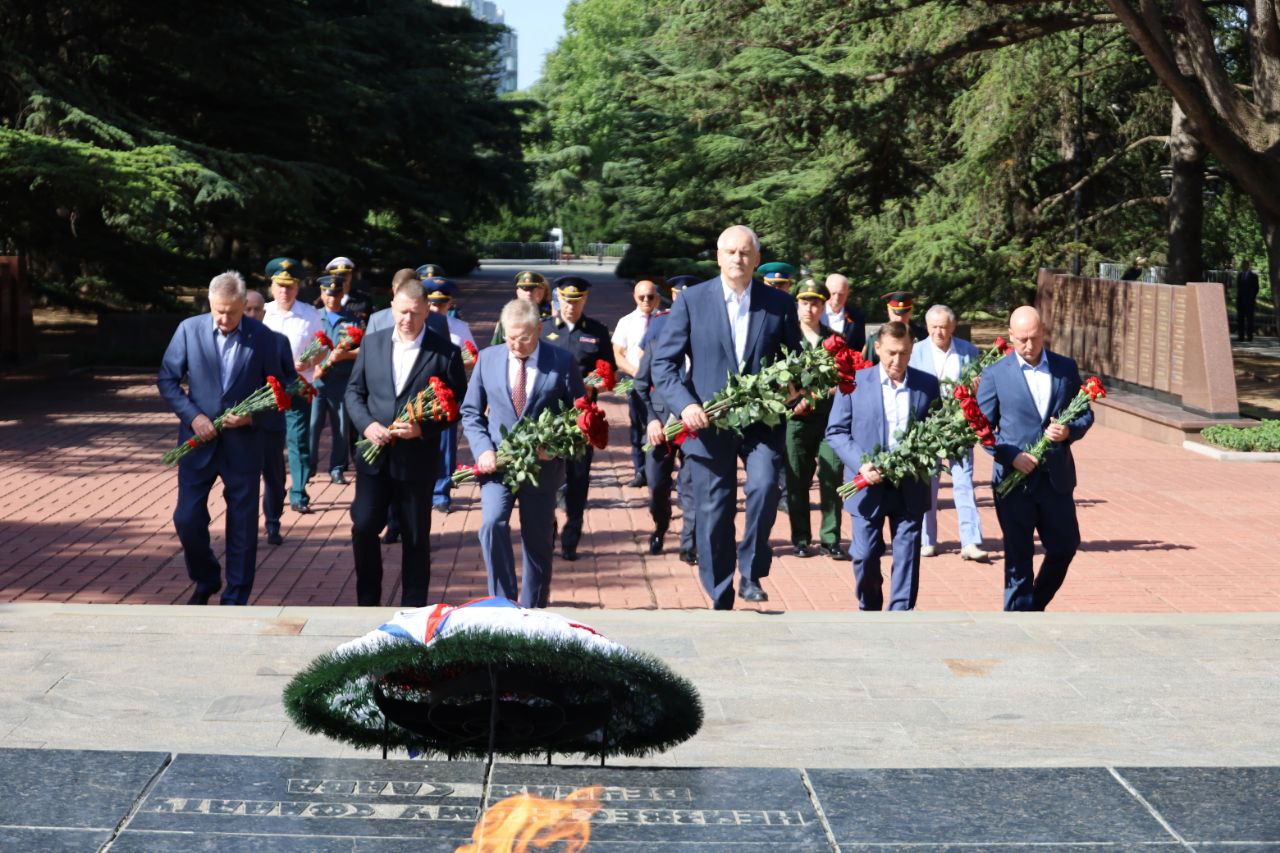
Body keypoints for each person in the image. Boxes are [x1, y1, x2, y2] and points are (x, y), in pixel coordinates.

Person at [651, 225, 802, 609]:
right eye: (731, 252)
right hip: (707, 423)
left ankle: (751, 571)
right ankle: (720, 593)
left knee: (766, 486)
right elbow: (664, 364)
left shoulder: (778, 304)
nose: (738, 258)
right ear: (718, 256)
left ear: (756, 258)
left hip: (761, 424)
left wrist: (795, 387)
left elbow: (795, 362)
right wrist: (685, 405)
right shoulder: (692, 301)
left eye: (746, 252)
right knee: (714, 510)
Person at [158, 272, 296, 605]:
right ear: (209, 303)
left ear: (243, 305)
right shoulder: (189, 330)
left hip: (244, 444)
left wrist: (254, 416)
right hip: (198, 443)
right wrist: (194, 417)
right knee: (186, 518)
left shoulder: (265, 339)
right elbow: (167, 379)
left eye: (231, 312)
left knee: (243, 525)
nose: (224, 318)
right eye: (218, 310)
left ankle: (235, 597)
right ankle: (206, 578)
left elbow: (289, 390)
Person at [345, 279, 466, 607]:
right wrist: (367, 425)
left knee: (415, 537)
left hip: (416, 461)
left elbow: (456, 406)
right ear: (392, 309)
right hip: (374, 457)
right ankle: (367, 602)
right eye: (401, 312)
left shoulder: (445, 353)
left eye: (414, 312)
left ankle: (414, 608)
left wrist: (423, 429)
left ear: (427, 310)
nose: (407, 319)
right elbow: (354, 393)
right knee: (364, 526)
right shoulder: (373, 344)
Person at [462, 299, 585, 607]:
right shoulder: (488, 359)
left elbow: (579, 418)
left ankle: (533, 611)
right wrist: (483, 450)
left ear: (538, 330)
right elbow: (471, 412)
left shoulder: (561, 361)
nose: (515, 344)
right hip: (498, 466)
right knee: (492, 524)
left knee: (538, 543)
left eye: (524, 337)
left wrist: (554, 448)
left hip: (542, 469)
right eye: (510, 337)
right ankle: (503, 605)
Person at [977, 305, 1094, 611]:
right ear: (1011, 336)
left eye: (1034, 338)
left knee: (1065, 545)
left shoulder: (1064, 368)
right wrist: (1011, 456)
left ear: (1044, 333)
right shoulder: (995, 375)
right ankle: (1017, 620)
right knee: (1018, 558)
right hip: (1014, 483)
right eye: (1022, 340)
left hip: (1056, 479)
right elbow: (982, 428)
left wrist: (1069, 431)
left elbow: (1084, 413)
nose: (1029, 346)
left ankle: (1034, 606)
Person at [826, 321, 940, 611]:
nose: (897, 360)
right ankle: (871, 608)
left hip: (910, 485)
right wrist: (861, 463)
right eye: (891, 353)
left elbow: (939, 430)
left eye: (903, 353)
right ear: (877, 348)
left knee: (907, 555)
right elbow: (836, 432)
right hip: (867, 484)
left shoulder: (927, 385)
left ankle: (900, 615)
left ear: (912, 350)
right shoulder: (853, 382)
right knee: (864, 555)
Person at [541, 275, 617, 561]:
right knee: (545, 477)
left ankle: (571, 536)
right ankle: (546, 533)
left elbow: (609, 373)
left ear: (584, 300)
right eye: (566, 300)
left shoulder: (597, 331)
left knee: (578, 478)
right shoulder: (544, 329)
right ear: (557, 299)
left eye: (577, 300)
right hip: (547, 419)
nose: (571, 306)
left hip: (581, 420)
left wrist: (596, 383)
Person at [908, 304, 989, 562]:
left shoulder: (969, 351)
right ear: (927, 327)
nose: (939, 332)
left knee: (963, 483)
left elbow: (980, 389)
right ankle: (927, 540)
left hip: (959, 428)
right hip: (927, 427)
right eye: (933, 327)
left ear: (953, 326)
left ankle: (971, 541)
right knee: (927, 485)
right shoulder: (916, 351)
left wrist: (977, 388)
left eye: (943, 327)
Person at [634, 277, 698, 561]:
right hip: (660, 425)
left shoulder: (705, 342)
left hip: (695, 426)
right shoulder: (658, 340)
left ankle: (689, 544)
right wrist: (651, 420)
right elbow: (640, 384)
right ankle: (661, 525)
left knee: (693, 486)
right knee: (657, 485)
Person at [783, 278, 847, 560]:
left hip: (828, 421)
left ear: (823, 306)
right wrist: (792, 399)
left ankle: (831, 538)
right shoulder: (785, 337)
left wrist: (816, 395)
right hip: (795, 421)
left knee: (832, 475)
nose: (809, 308)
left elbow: (844, 378)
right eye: (804, 302)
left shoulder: (834, 340)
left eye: (815, 303)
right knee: (797, 480)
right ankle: (800, 538)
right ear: (797, 304)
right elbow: (774, 375)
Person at [262, 257, 324, 514]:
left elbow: (322, 348)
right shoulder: (261, 314)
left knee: (298, 440)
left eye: (290, 286)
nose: (284, 291)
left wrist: (309, 360)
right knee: (270, 444)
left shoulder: (309, 315)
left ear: (297, 288)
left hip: (299, 386)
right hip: (267, 391)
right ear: (272, 286)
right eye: (280, 285)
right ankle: (274, 489)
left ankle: (298, 492)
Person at [423, 276, 477, 514]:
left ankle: (441, 491)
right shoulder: (417, 324)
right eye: (432, 303)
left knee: (446, 446)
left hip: (446, 396)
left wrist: (465, 362)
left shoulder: (460, 328)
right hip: (418, 395)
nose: (436, 308)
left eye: (442, 303)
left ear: (449, 303)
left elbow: (473, 358)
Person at [244, 290, 291, 546]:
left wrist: (290, 391)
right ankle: (245, 525)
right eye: (247, 309)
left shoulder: (278, 341)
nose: (252, 314)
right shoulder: (233, 341)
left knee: (274, 476)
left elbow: (290, 378)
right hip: (241, 423)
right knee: (244, 477)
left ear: (264, 312)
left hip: (271, 422)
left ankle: (273, 524)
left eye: (257, 310)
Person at [611, 279, 662, 488]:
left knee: (662, 426)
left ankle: (659, 470)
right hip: (635, 381)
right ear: (635, 297)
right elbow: (618, 354)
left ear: (657, 297)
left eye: (650, 296)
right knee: (638, 427)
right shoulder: (626, 322)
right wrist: (637, 373)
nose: (646, 300)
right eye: (642, 297)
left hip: (662, 383)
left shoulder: (666, 319)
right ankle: (640, 471)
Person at [310, 275, 359, 486]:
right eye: (328, 294)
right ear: (322, 294)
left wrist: (345, 355)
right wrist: (314, 365)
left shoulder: (353, 319)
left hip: (342, 381)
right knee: (312, 425)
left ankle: (338, 468)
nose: (332, 298)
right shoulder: (312, 317)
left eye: (337, 294)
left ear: (342, 294)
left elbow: (363, 349)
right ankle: (308, 466)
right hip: (316, 382)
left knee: (341, 426)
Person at [864, 290, 927, 364]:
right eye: (896, 314)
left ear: (910, 312)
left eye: (904, 314)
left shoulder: (923, 337)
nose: (900, 318)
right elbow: (869, 368)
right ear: (888, 311)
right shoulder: (875, 339)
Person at [491, 270, 553, 345]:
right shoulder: (509, 315)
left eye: (533, 289)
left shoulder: (553, 314)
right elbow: (497, 346)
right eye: (524, 289)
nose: (529, 293)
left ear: (543, 292)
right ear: (518, 292)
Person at [323, 256, 372, 327]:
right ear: (331, 276)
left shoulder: (363, 300)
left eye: (345, 274)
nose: (342, 278)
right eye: (337, 275)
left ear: (351, 275)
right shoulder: (323, 299)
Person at [824, 273, 866, 352]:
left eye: (841, 294)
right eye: (833, 293)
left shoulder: (857, 317)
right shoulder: (815, 314)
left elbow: (859, 349)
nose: (836, 298)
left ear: (847, 293)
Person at [1237, 259, 1259, 342]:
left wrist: (1251, 298)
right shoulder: (1240, 275)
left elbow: (1256, 289)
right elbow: (1239, 288)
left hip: (1249, 302)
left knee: (1250, 319)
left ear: (1248, 266)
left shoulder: (1254, 276)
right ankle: (1241, 337)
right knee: (1240, 319)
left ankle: (1249, 337)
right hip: (1240, 301)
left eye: (1245, 265)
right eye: (1242, 265)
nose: (1243, 266)